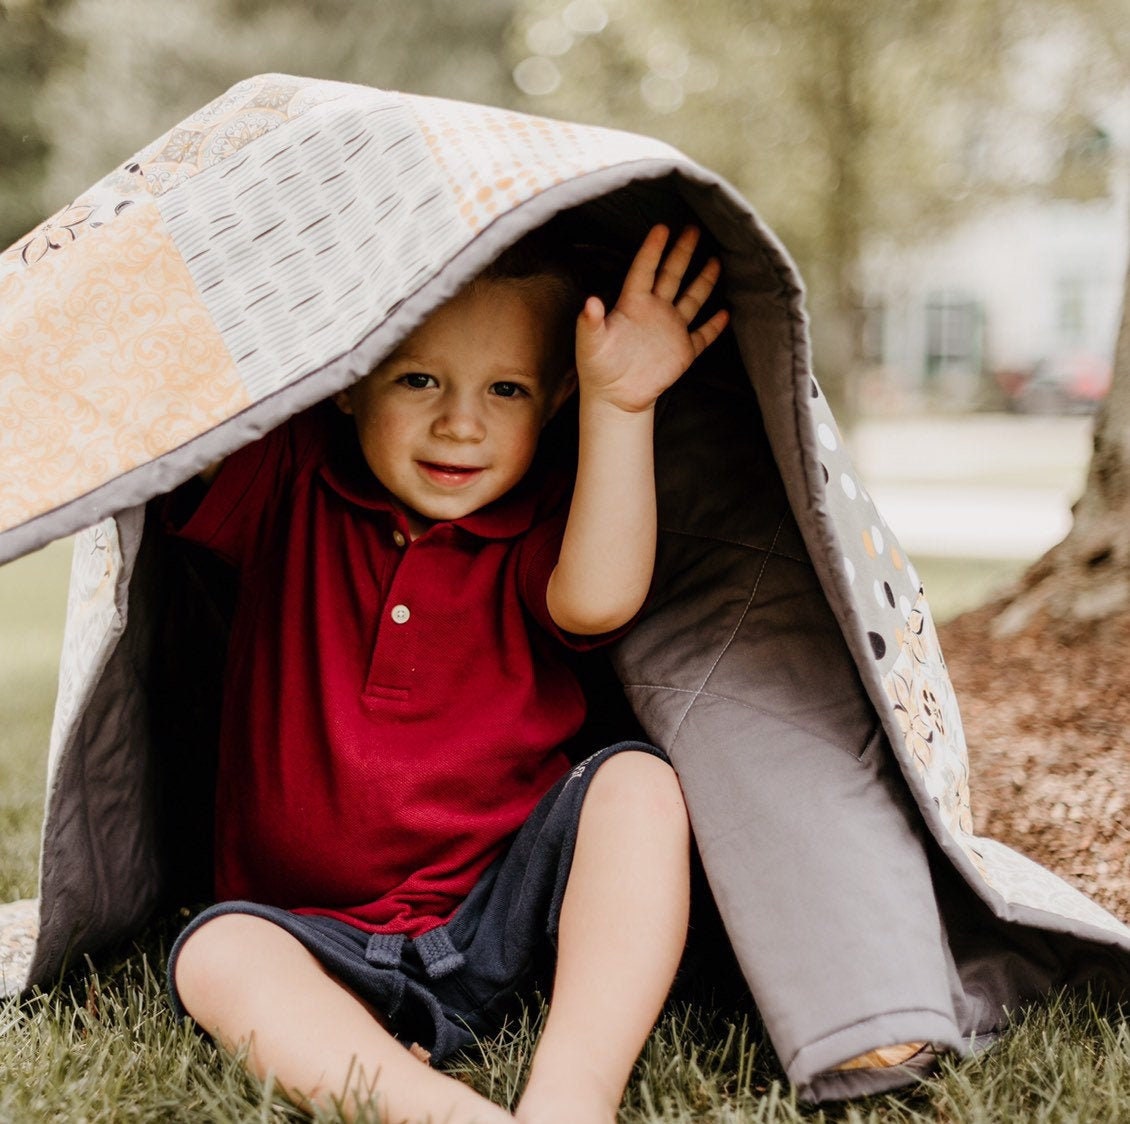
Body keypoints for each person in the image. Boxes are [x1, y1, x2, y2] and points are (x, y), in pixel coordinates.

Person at [167, 222, 729, 1123]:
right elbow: (180, 396)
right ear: (349, 381)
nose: (459, 422)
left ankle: (572, 1094)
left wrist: (621, 408)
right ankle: (438, 1112)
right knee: (216, 954)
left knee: (638, 784)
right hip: (312, 938)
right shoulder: (287, 480)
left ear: (552, 405)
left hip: (503, 920)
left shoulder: (546, 517)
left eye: (506, 389)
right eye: (419, 378)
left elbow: (600, 604)